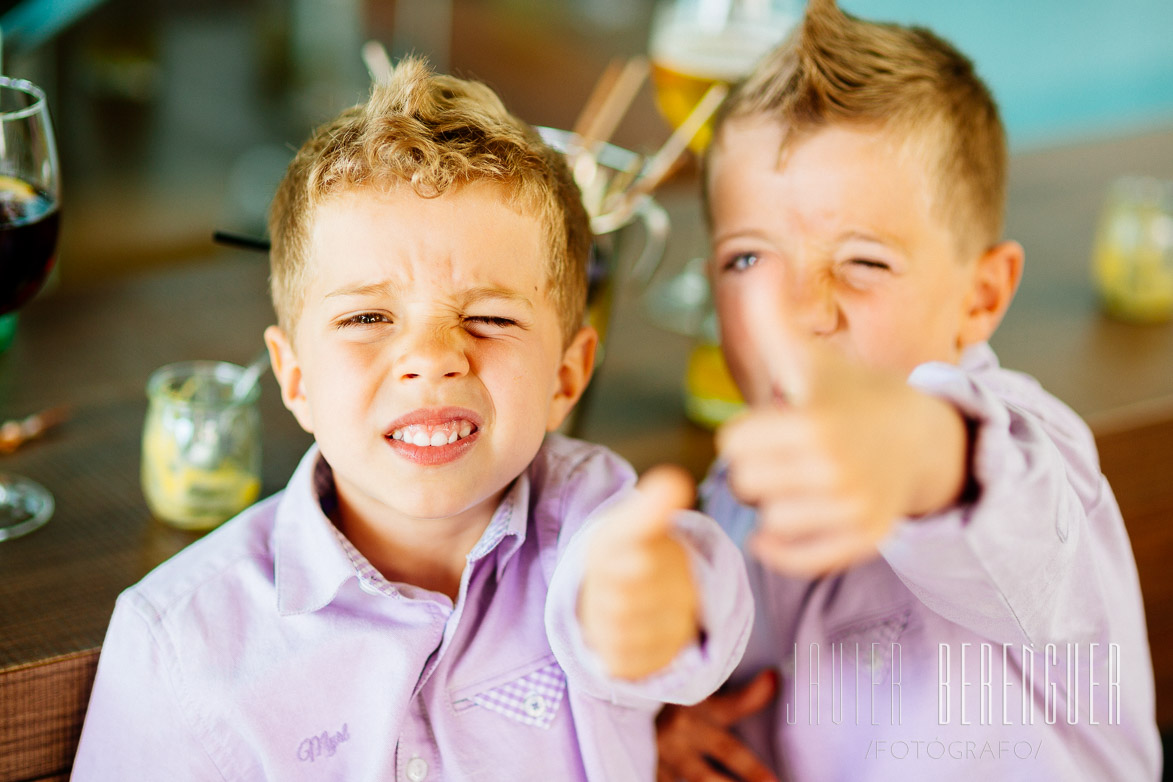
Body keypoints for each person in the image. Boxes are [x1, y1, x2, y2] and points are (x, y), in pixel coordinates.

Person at [73, 58, 752, 781]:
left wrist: (656, 608)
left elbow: (670, 585)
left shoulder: (589, 520)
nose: (432, 359)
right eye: (368, 316)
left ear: (567, 374)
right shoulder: (178, 645)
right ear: (295, 376)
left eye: (489, 318)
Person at [655, 1, 1161, 780]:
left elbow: (961, 470)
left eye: (863, 262)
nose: (801, 312)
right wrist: (674, 730)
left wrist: (907, 449)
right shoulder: (735, 495)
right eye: (750, 260)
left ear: (981, 296)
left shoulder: (1031, 454)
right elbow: (747, 698)